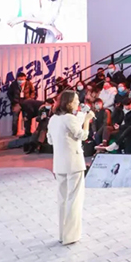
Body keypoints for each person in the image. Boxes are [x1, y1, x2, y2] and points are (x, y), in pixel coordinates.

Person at [47, 90, 94, 245]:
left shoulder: (53, 119)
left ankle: (62, 234)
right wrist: (87, 120)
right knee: (74, 199)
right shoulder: (69, 118)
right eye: (75, 100)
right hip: (74, 162)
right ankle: (71, 236)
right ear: (68, 103)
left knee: (62, 199)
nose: (77, 102)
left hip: (59, 163)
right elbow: (83, 135)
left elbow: (50, 140)